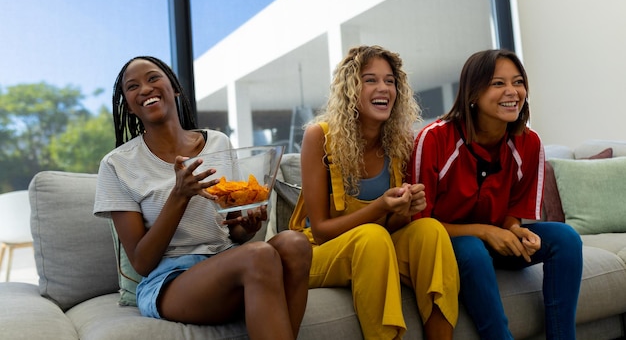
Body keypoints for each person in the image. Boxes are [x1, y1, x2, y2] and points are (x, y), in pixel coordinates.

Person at [93, 56, 312, 340]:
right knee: (259, 256)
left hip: (229, 262)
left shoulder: (218, 143)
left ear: (175, 89)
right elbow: (141, 261)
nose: (145, 88)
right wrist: (179, 195)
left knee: (295, 243)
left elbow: (234, 231)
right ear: (129, 105)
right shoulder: (117, 164)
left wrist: (248, 226)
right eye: (133, 87)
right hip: (170, 281)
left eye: (152, 78)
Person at [410, 49, 583, 339]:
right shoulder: (434, 139)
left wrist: (515, 230)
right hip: (445, 242)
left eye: (517, 82)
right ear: (473, 93)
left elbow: (512, 211)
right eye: (498, 83)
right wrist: (485, 233)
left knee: (566, 239)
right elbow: (419, 224)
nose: (512, 91)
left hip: (493, 238)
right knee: (473, 250)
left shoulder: (529, 143)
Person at [289, 45, 459, 340]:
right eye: (370, 80)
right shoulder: (320, 137)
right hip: (320, 253)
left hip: (375, 247)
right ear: (350, 89)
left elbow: (391, 227)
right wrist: (381, 206)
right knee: (372, 236)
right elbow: (320, 231)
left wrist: (403, 211)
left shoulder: (400, 140)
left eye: (390, 81)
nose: (383, 88)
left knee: (430, 230)